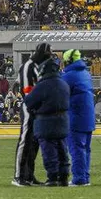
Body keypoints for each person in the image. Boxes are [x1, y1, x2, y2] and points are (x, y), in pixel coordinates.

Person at [23, 55, 70, 186]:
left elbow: (29, 102)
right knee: (62, 150)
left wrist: (28, 91)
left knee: (49, 152)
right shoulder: (64, 84)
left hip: (46, 123)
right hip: (63, 121)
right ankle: (64, 176)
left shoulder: (42, 85)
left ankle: (53, 177)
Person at [12, 43, 49, 186]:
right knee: (25, 140)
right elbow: (27, 89)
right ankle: (18, 176)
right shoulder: (28, 65)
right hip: (29, 107)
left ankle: (28, 175)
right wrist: (35, 103)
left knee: (33, 143)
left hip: (36, 108)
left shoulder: (36, 66)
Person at [61, 49, 96, 186]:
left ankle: (79, 179)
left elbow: (59, 89)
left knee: (76, 149)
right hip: (88, 118)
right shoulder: (85, 73)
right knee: (85, 149)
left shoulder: (69, 76)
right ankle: (84, 176)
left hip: (76, 118)